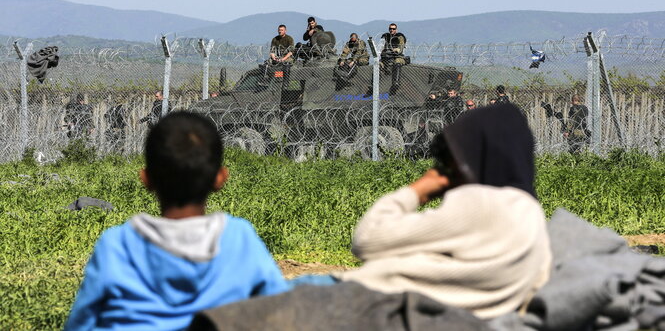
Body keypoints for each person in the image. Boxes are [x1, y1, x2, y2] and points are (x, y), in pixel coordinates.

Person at [65, 112, 288, 330]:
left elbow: (82, 322)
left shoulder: (117, 244)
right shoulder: (240, 238)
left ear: (146, 179)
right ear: (220, 179)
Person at [337, 103, 552, 319]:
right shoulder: (532, 214)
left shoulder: (481, 204)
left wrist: (420, 189)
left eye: (453, 161)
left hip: (370, 301)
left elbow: (367, 239)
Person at [381, 23, 407, 94]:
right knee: (379, 64)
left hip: (398, 56)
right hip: (388, 57)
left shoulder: (399, 37)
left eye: (393, 29)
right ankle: (374, 85)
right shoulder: (387, 37)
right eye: (390, 29)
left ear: (396, 29)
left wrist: (397, 49)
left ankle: (396, 83)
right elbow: (385, 47)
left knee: (397, 62)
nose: (391, 30)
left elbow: (401, 45)